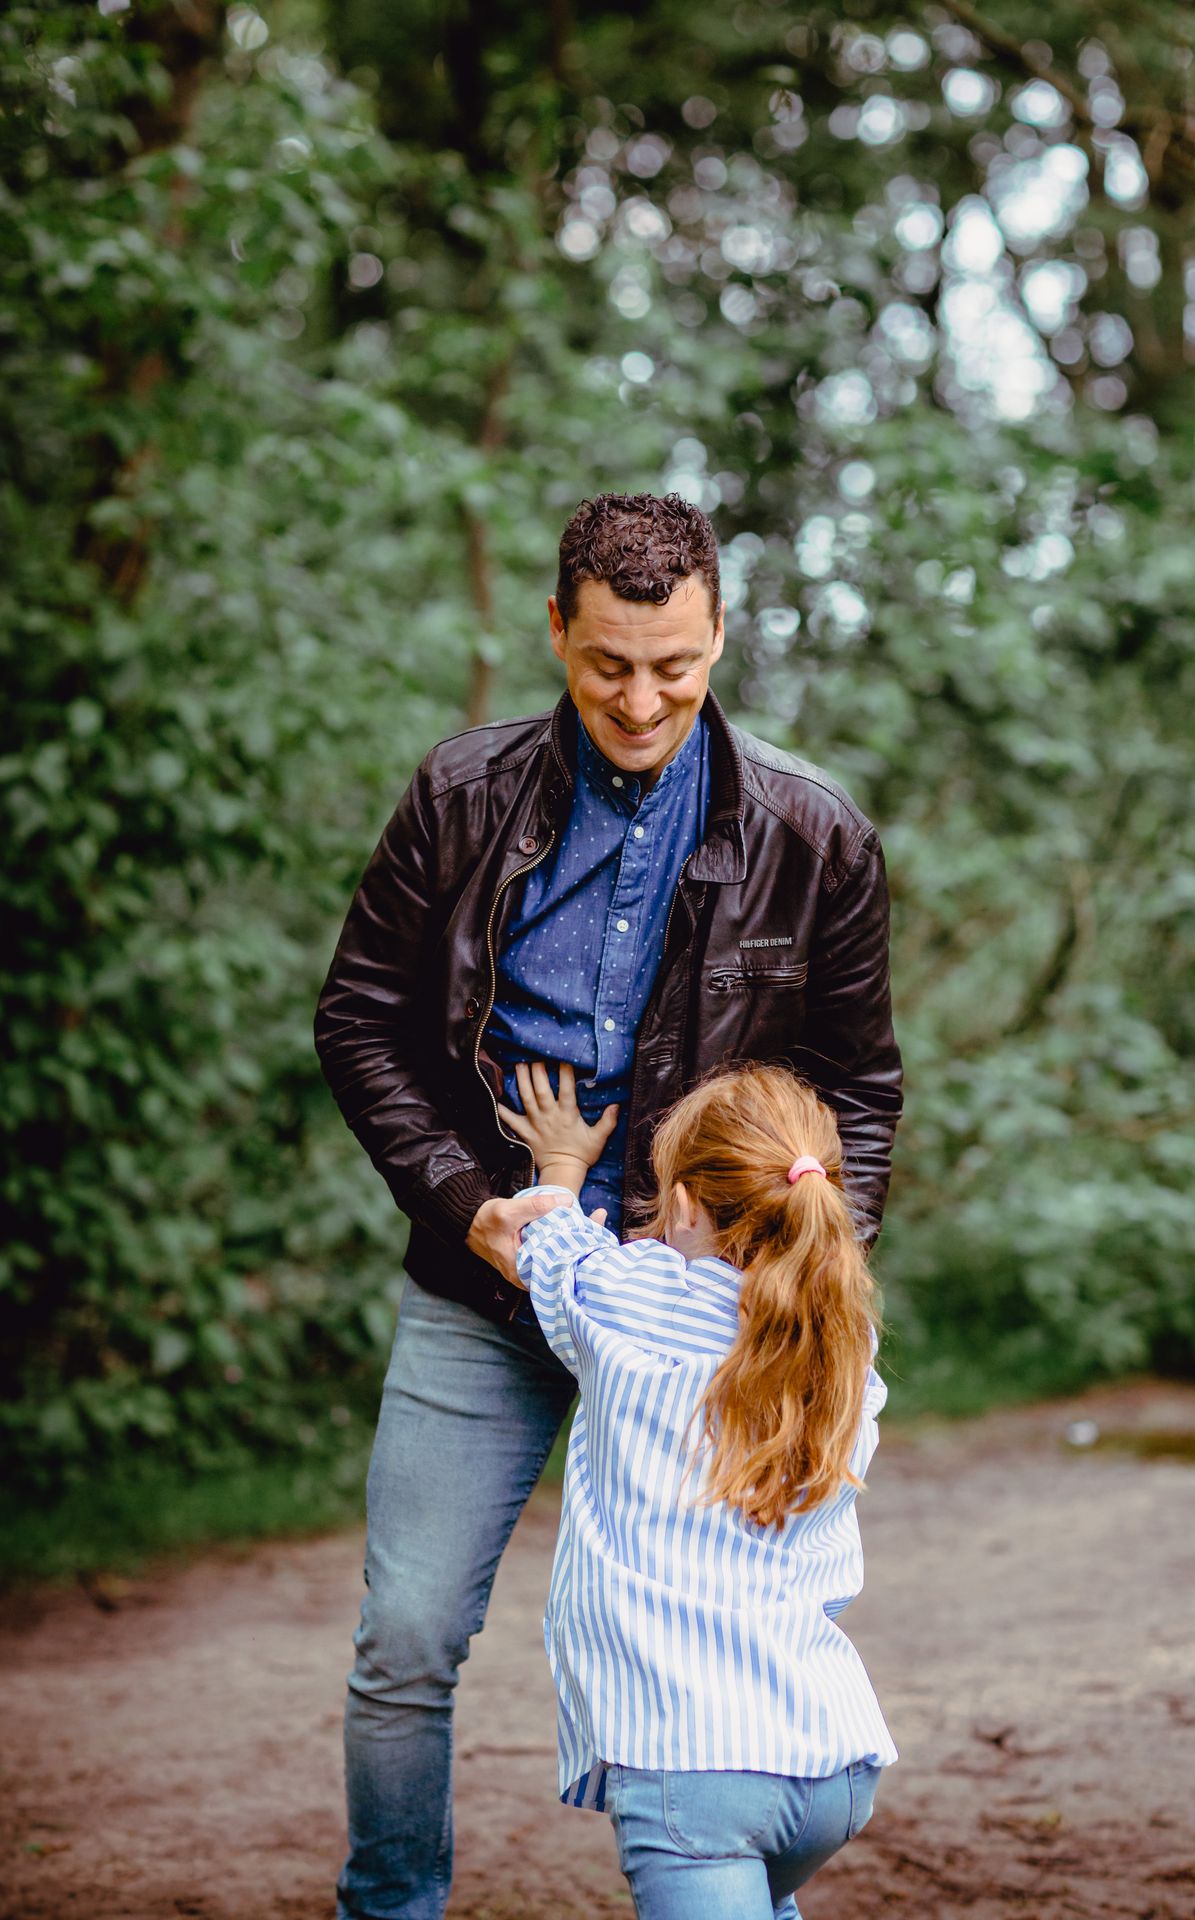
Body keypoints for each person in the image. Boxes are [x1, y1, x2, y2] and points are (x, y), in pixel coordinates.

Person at [314, 490, 902, 1919]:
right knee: (405, 1638)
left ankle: (740, 1870)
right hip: (486, 1281)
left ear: (720, 637)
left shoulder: (815, 834)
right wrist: (466, 1204)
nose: (641, 704)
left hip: (709, 1316)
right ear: (557, 633)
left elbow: (860, 1091)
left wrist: (791, 1284)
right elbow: (359, 1021)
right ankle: (389, 1908)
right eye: (608, 667)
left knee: (753, 1630)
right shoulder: (459, 796)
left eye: (675, 668)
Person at [501, 1057, 895, 1920]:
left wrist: (562, 1161)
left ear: (683, 1205)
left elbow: (545, 1241)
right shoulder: (843, 1343)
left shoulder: (628, 1296)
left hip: (691, 1760)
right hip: (832, 1758)